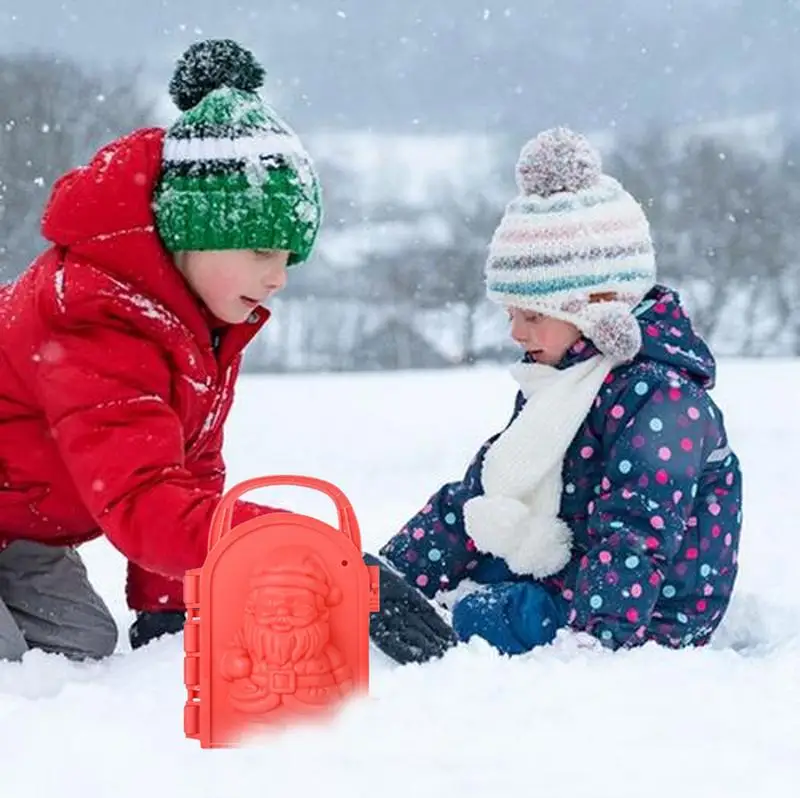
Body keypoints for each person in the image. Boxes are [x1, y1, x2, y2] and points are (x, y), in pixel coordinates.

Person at [365, 127, 743, 664]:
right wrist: (398, 572)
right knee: (480, 559)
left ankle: (475, 642)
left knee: (484, 612)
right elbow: (486, 491)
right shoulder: (562, 378)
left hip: (654, 608)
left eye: (533, 315)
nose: (516, 333)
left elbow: (635, 531)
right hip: (579, 562)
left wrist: (592, 640)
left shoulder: (665, 399)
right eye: (511, 314)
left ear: (600, 304)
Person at [0, 38, 323, 662]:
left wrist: (169, 608)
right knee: (11, 667)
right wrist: (293, 550)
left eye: (288, 258)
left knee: (81, 648)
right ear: (193, 237)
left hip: (19, 532)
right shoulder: (93, 317)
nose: (278, 276)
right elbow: (145, 500)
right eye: (261, 252)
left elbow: (189, 470)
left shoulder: (202, 326)